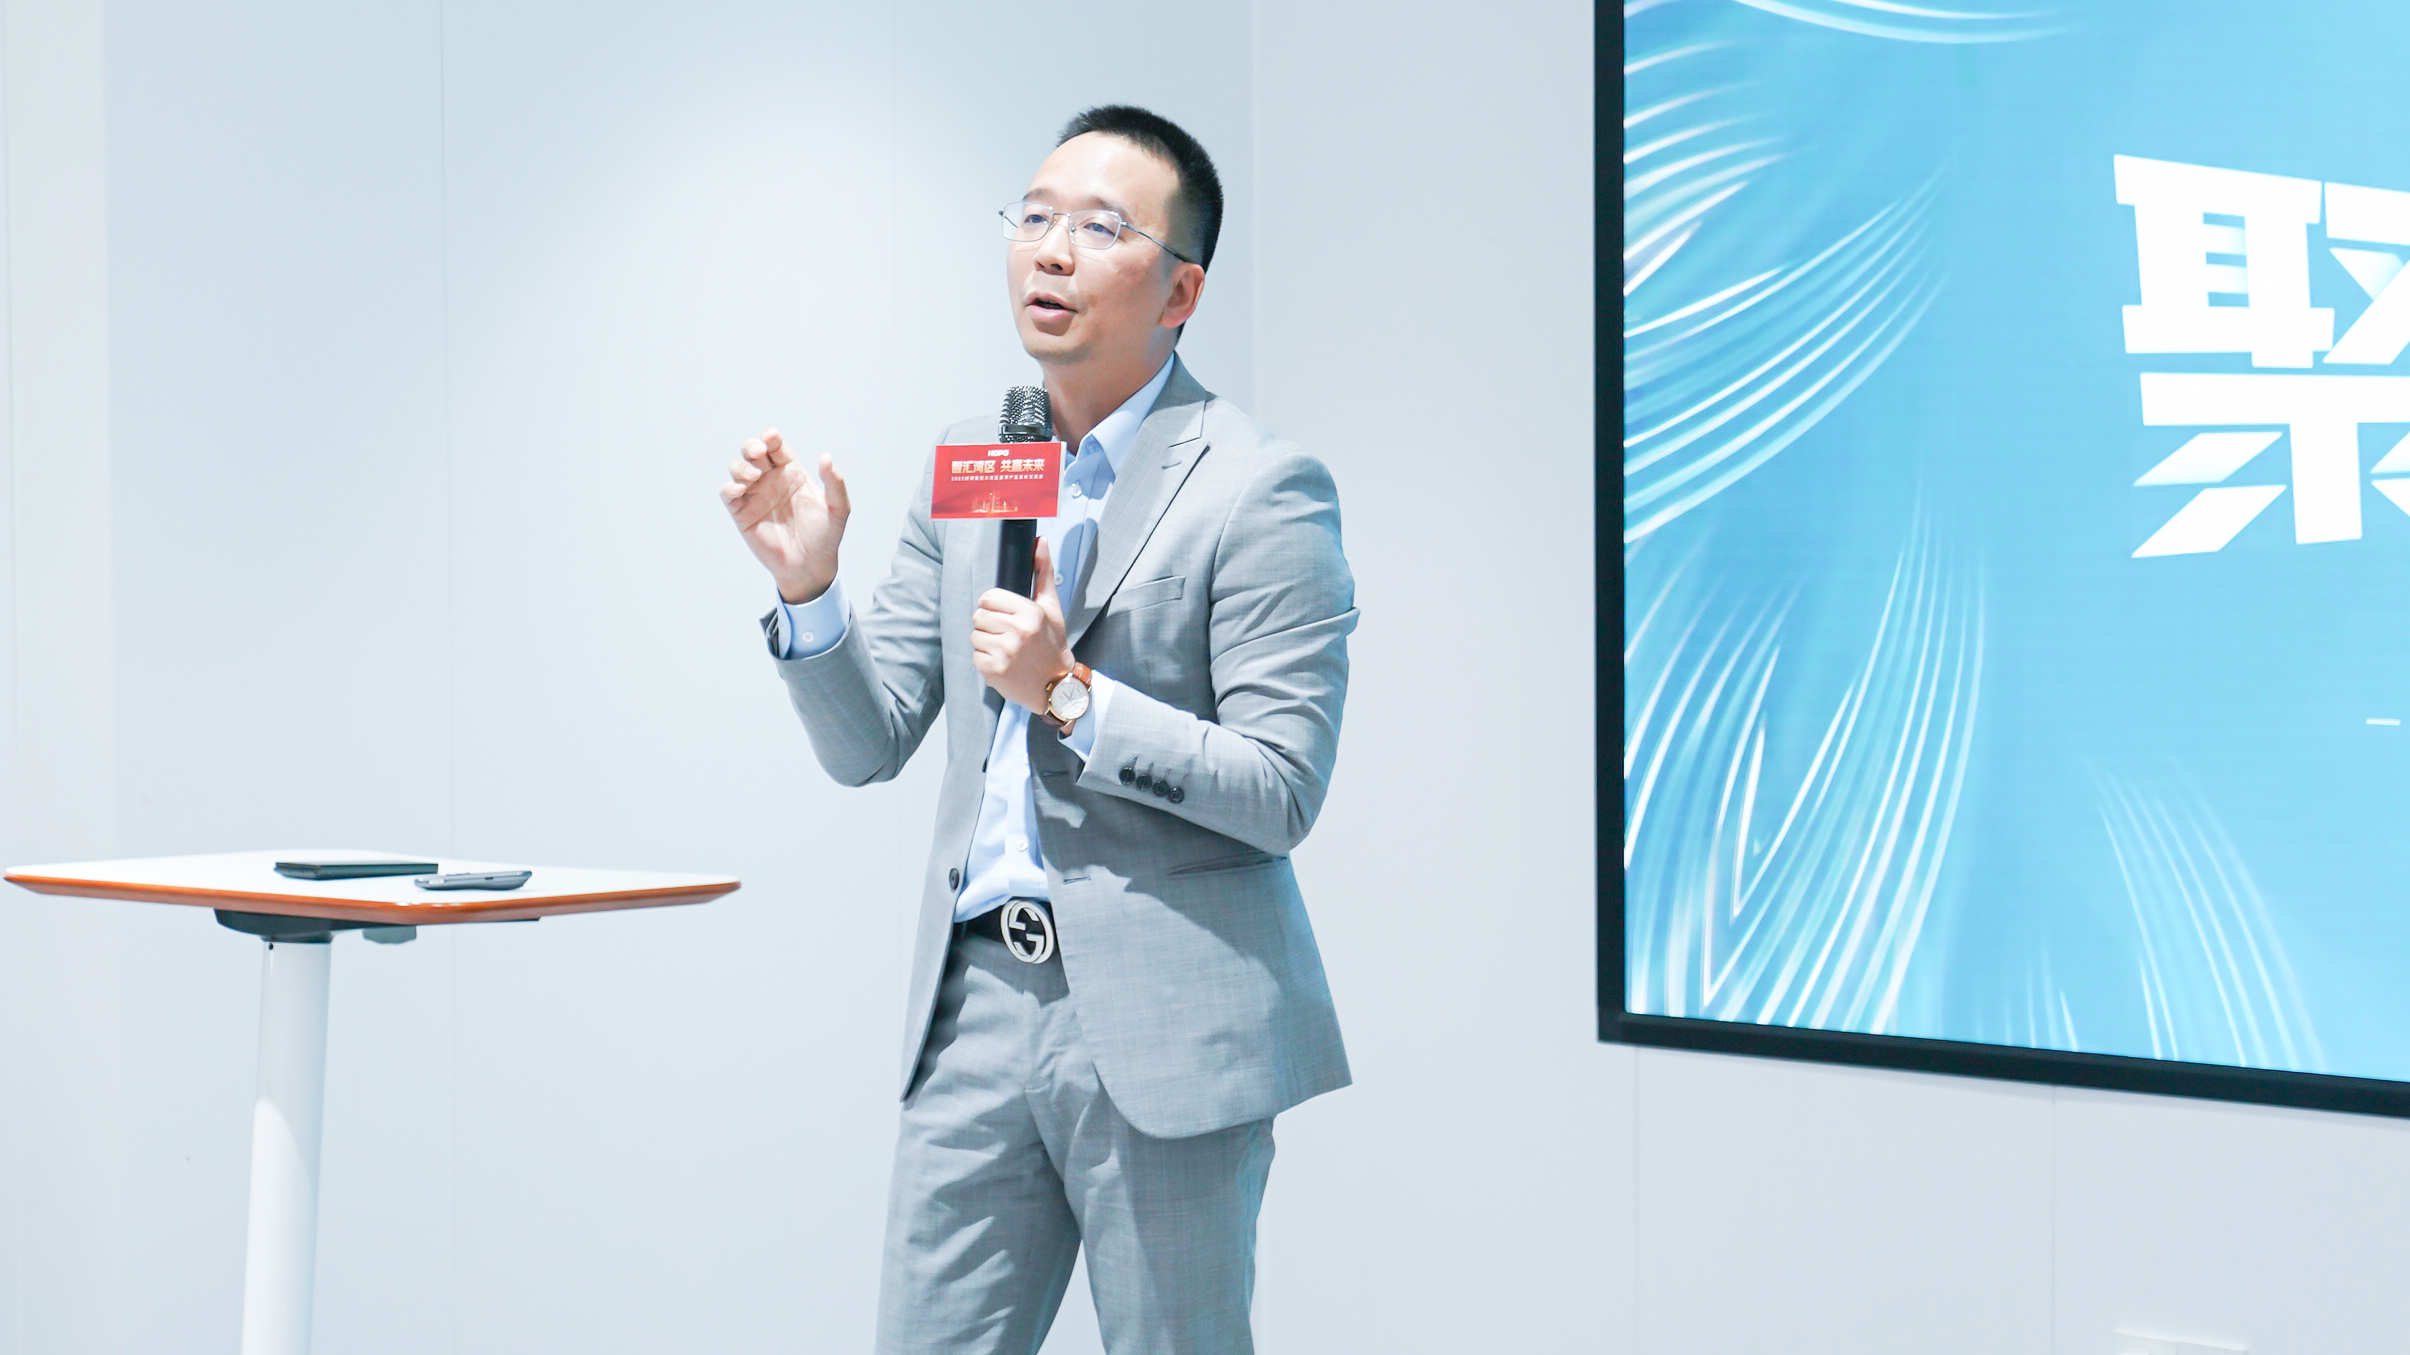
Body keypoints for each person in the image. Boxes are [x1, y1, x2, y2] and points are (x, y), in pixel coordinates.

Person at [718, 105, 1355, 1353]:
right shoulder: (973, 460)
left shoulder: (1257, 485)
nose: (1050, 250)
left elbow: (1281, 786)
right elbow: (868, 742)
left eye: (1100, 228)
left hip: (1166, 1023)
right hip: (974, 1008)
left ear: (1181, 292)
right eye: (1034, 217)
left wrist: (1069, 695)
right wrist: (811, 588)